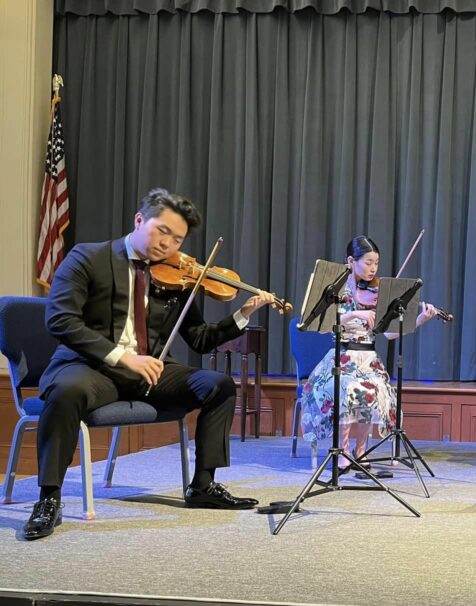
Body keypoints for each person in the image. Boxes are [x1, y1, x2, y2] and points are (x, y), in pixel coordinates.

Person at [25, 188, 279, 541]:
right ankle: (49, 498)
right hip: (90, 367)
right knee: (67, 392)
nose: (168, 245)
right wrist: (123, 356)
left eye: (177, 239)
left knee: (218, 385)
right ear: (140, 220)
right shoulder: (88, 258)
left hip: (150, 372)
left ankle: (203, 485)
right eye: (162, 231)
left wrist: (242, 313)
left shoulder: (177, 277)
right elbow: (61, 320)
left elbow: (199, 338)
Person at [299, 236, 438, 472]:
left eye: (376, 263)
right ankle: (341, 451)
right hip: (340, 359)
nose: (373, 269)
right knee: (349, 389)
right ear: (351, 261)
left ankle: (360, 450)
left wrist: (420, 320)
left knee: (374, 392)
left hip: (369, 361)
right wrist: (355, 315)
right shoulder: (335, 290)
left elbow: (389, 335)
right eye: (368, 263)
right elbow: (319, 321)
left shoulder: (377, 294)